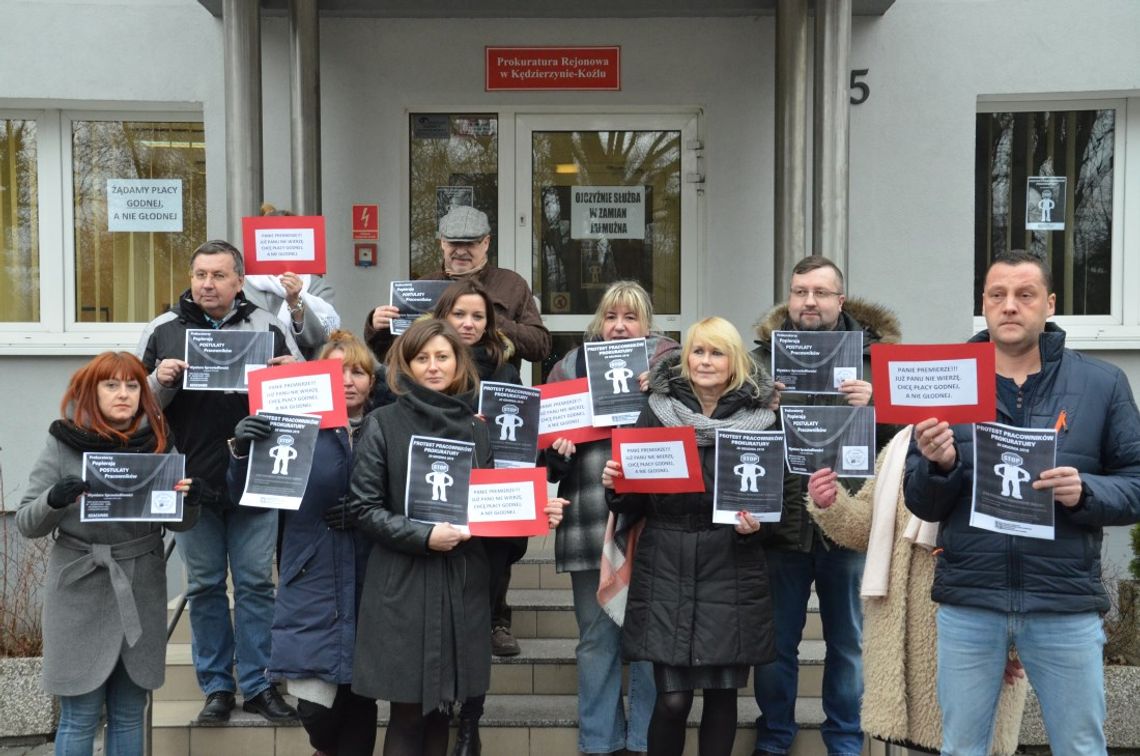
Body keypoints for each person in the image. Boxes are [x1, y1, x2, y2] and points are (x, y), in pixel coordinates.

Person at [905, 249, 1140, 755]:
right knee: (961, 747)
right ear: (984, 305)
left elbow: (1136, 484)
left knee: (1080, 746)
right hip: (971, 600)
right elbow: (920, 503)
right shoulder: (944, 381)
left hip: (1064, 602)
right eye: (998, 295)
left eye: (1025, 295)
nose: (1010, 306)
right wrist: (938, 466)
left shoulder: (1101, 384)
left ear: (1049, 304)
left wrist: (1087, 492)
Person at [344, 318, 565, 756]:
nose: (432, 366)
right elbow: (363, 510)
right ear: (404, 365)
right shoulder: (383, 424)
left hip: (461, 583)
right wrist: (424, 536)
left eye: (441, 356)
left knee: (443, 712)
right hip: (402, 585)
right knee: (407, 713)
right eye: (421, 358)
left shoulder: (476, 428)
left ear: (458, 362)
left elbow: (487, 506)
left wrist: (534, 510)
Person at [136, 239, 301, 724]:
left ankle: (259, 684)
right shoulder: (164, 330)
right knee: (205, 586)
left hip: (257, 477)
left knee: (254, 585)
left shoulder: (268, 326)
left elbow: (303, 397)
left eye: (219, 275)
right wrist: (160, 380)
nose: (208, 284)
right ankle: (217, 688)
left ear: (239, 281)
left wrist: (295, 374)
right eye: (200, 275)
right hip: (189, 482)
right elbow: (130, 407)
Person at [602, 316, 778, 756]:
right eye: (697, 351)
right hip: (667, 564)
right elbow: (633, 502)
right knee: (673, 700)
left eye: (716, 352)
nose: (705, 361)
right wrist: (617, 486)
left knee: (722, 698)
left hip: (731, 568)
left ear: (734, 361)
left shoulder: (762, 420)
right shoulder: (656, 411)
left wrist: (757, 526)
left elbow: (777, 501)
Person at [16, 352, 206, 755]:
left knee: (129, 711)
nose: (124, 394)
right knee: (81, 713)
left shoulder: (158, 442)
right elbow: (28, 524)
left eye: (133, 385)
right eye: (112, 385)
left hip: (140, 587)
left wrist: (191, 500)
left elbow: (181, 524)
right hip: (79, 587)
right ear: (92, 391)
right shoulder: (62, 441)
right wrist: (54, 498)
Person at [751, 255, 900, 756]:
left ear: (841, 300)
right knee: (775, 646)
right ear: (788, 298)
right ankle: (773, 739)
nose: (808, 301)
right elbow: (726, 427)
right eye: (799, 291)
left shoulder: (877, 362)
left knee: (849, 644)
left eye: (819, 292)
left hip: (849, 523)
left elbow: (911, 440)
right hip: (780, 523)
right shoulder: (759, 360)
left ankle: (844, 742)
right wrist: (759, 410)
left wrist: (879, 407)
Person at [804, 426, 1028, 754]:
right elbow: (864, 527)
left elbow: (1020, 540)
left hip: (975, 619)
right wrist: (831, 504)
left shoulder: (999, 430)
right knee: (923, 743)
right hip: (905, 635)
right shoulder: (900, 443)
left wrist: (1013, 639)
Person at [226, 330, 379, 755]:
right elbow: (248, 495)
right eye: (337, 371)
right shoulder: (295, 425)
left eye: (358, 372)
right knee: (316, 708)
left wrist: (366, 513)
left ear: (372, 380)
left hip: (373, 574)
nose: (349, 380)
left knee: (358, 699)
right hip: (312, 573)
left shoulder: (385, 424)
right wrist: (243, 448)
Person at [544, 280, 679, 755]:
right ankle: (599, 741)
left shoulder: (674, 364)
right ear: (599, 323)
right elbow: (546, 451)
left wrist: (661, 392)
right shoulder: (570, 366)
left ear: (648, 324)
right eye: (611, 317)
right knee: (597, 635)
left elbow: (696, 426)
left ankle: (643, 740)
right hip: (587, 513)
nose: (620, 327)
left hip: (655, 518)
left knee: (646, 635)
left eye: (631, 318)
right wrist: (556, 454)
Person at [430, 280, 526, 754]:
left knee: (472, 626)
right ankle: (441, 705)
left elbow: (522, 446)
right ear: (442, 317)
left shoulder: (507, 373)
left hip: (490, 517)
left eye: (478, 317)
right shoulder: (426, 368)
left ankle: (471, 719)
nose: (469, 324)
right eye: (460, 315)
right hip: (434, 512)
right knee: (438, 621)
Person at [365, 206, 550, 370]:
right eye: (454, 243)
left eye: (470, 244)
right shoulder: (423, 287)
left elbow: (540, 347)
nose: (461, 251)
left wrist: (491, 320)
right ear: (442, 243)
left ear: (486, 243)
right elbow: (389, 356)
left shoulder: (511, 284)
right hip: (437, 397)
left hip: (491, 395)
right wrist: (378, 327)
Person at [242, 204, 341, 360]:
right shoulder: (241, 286)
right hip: (251, 371)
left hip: (300, 376)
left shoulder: (317, 287)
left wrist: (296, 303)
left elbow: (323, 337)